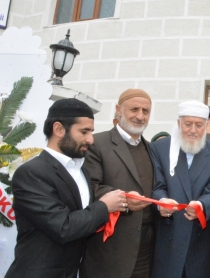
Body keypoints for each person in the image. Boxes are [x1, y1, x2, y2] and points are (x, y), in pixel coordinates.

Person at [6, 99, 126, 278]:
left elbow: (86, 217)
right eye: (84, 132)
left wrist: (120, 198)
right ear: (59, 129)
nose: (91, 139)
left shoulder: (81, 171)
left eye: (91, 132)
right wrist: (104, 206)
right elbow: (63, 227)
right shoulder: (32, 173)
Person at [80, 89, 156, 278]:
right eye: (134, 109)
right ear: (118, 110)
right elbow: (90, 187)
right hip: (110, 252)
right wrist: (125, 201)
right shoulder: (97, 143)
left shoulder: (152, 149)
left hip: (146, 252)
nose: (140, 116)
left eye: (145, 111)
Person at [150, 101, 210, 278]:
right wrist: (161, 201)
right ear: (179, 124)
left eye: (199, 125)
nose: (193, 130)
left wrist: (201, 205)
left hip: (201, 244)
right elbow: (156, 185)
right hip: (168, 240)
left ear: (206, 126)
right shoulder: (159, 149)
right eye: (188, 124)